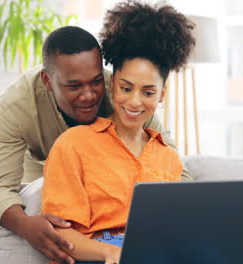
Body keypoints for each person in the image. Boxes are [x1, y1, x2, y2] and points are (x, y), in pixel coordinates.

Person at [0, 25, 192, 264]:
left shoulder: (128, 96)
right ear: (47, 81)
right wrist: (26, 225)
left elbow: (177, 178)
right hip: (42, 165)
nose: (89, 95)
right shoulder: (16, 105)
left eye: (95, 82)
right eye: (74, 86)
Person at [41, 1, 195, 263]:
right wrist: (113, 252)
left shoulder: (167, 156)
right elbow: (60, 235)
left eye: (148, 92)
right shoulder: (74, 144)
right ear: (112, 85)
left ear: (161, 95)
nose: (135, 102)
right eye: (126, 88)